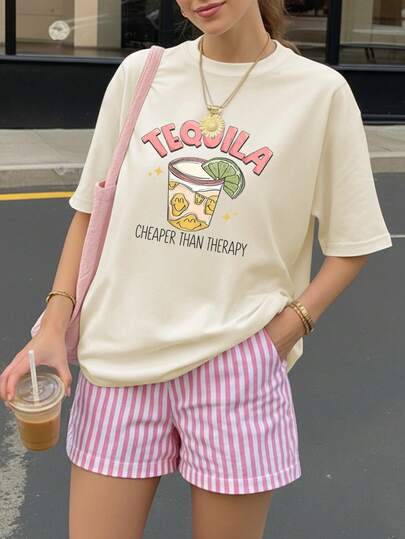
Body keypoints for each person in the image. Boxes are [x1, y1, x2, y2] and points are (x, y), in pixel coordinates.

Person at [0, 1, 393, 538]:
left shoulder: (319, 94)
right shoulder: (142, 74)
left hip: (237, 366)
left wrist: (284, 331)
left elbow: (354, 241)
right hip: (119, 358)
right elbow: (90, 212)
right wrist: (52, 326)